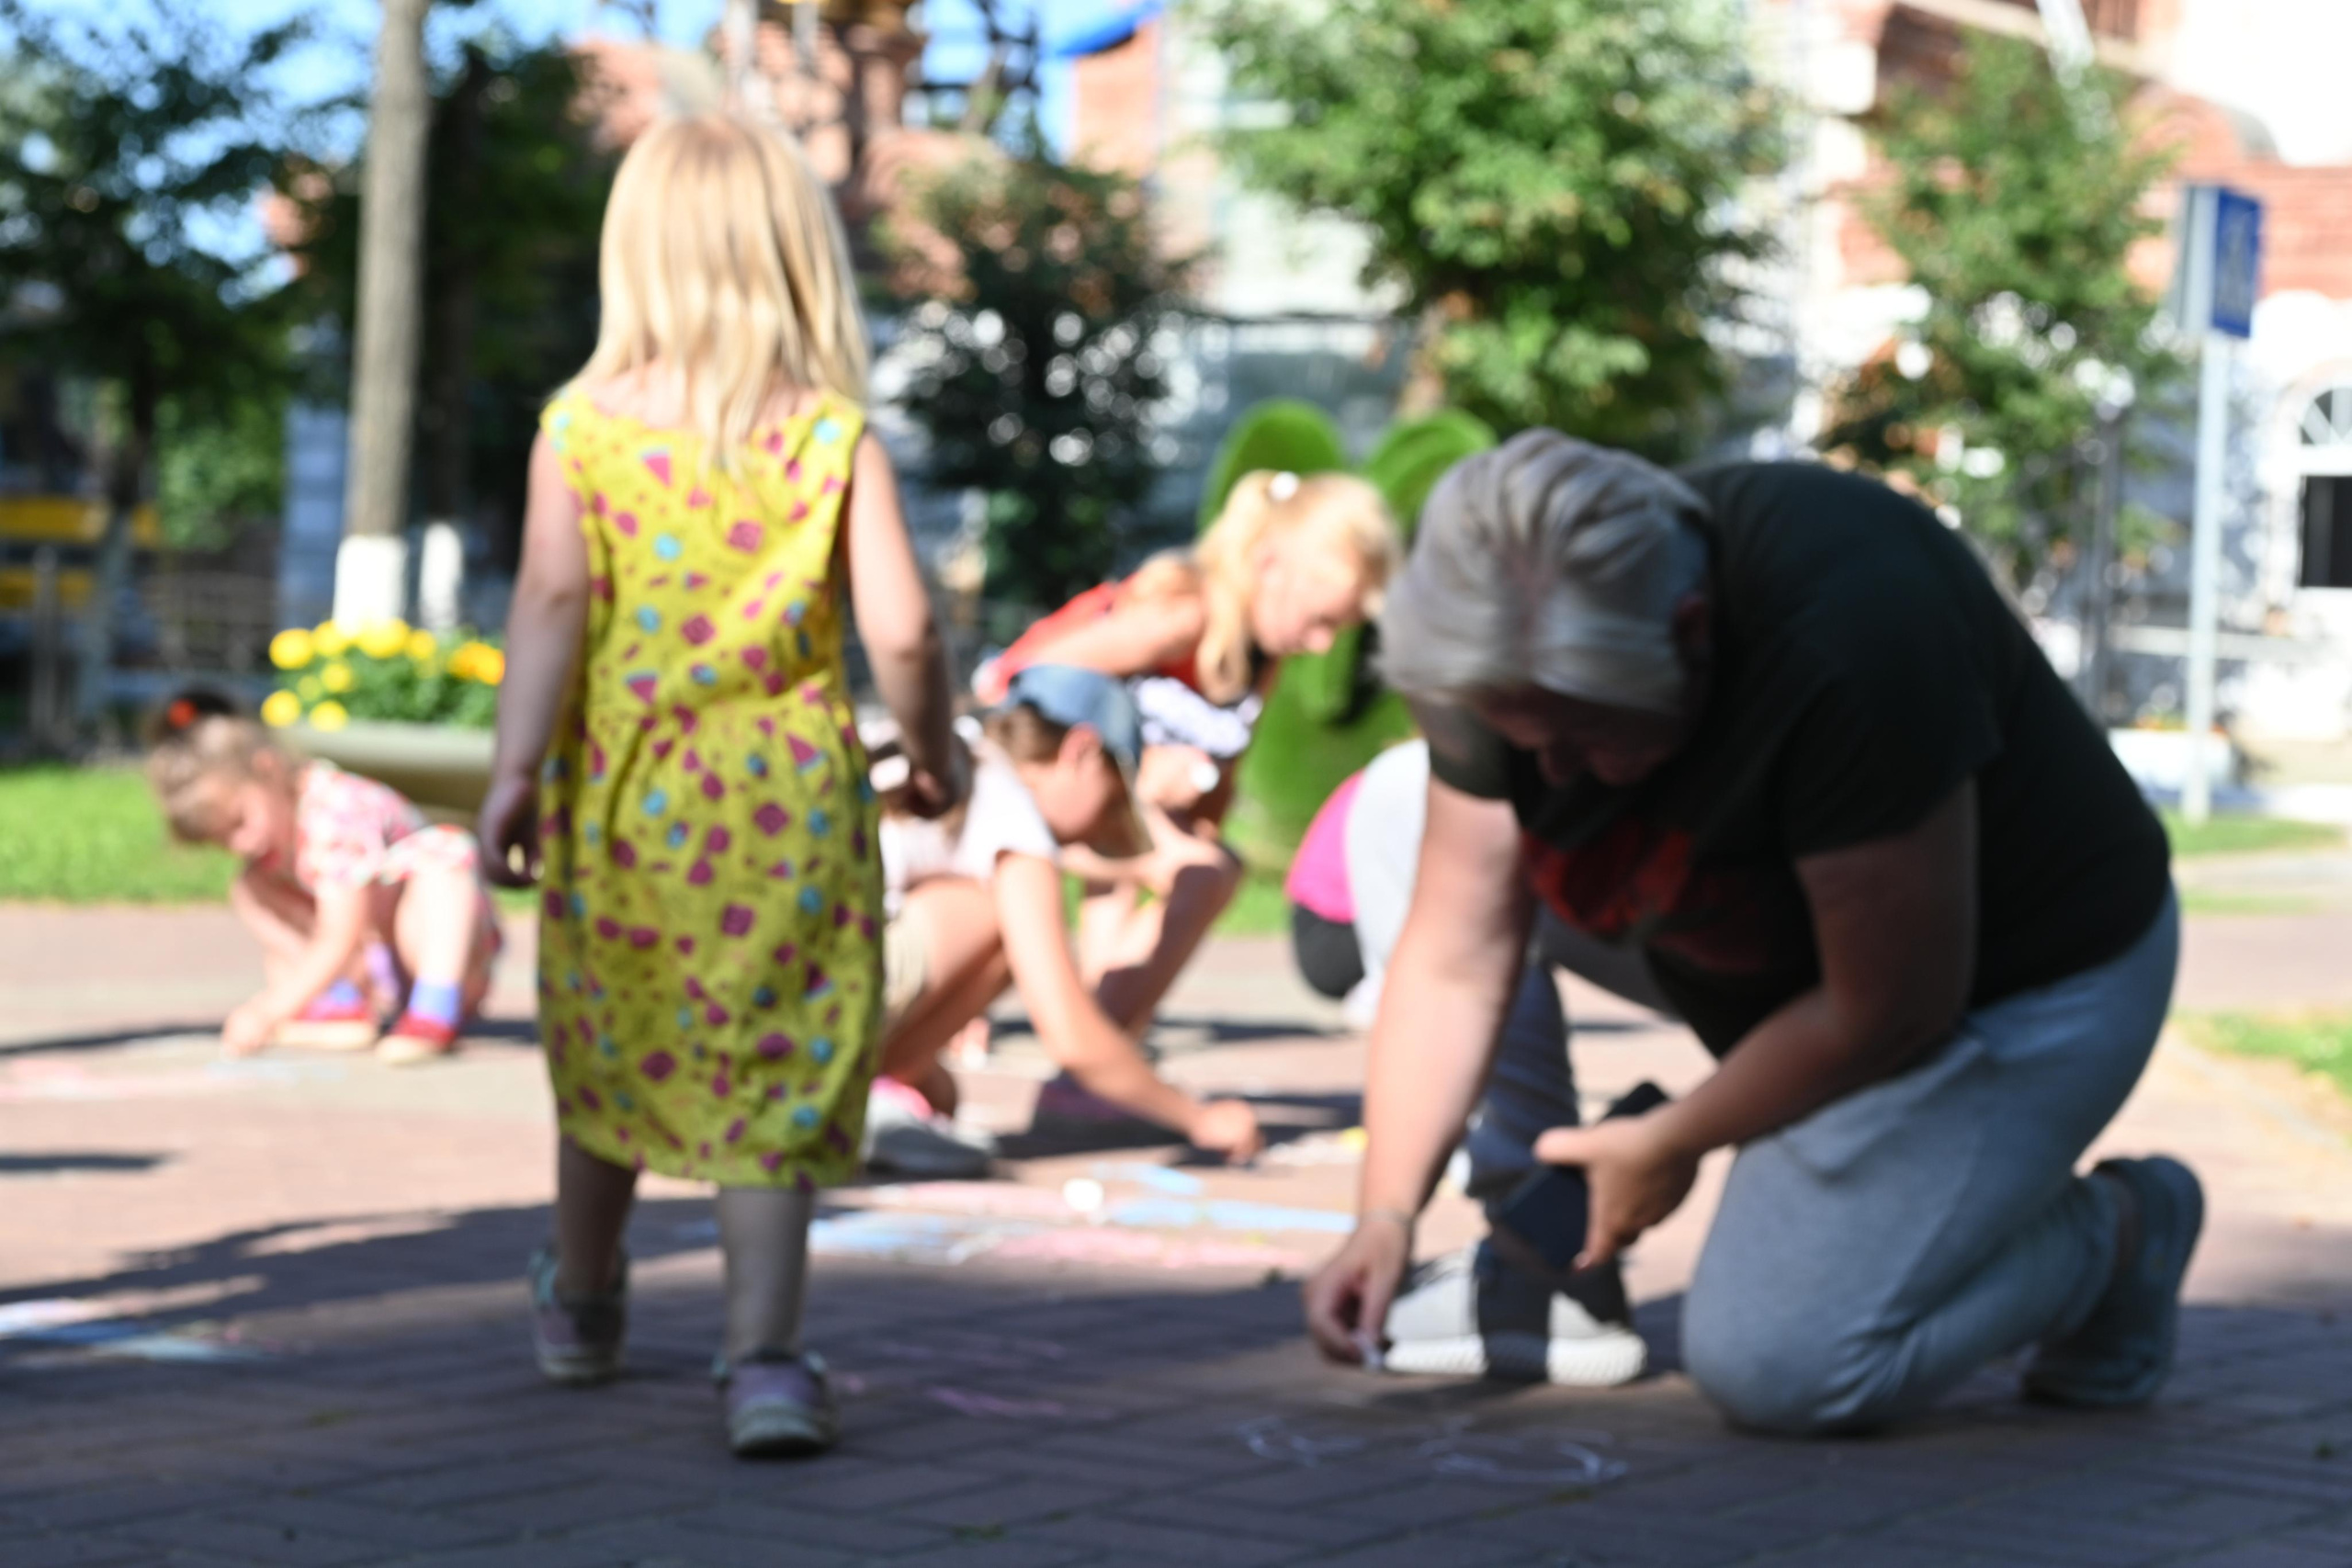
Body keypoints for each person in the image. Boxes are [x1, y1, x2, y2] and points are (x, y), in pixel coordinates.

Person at [1306, 432, 2193, 1435]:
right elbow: (1457, 955)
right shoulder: (1497, 646)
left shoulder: (1851, 626)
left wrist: (1674, 1139)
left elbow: (1890, 1006)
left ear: (1690, 633)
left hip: (2019, 982)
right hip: (1763, 937)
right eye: (1522, 739)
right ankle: (1546, 1248)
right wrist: (1383, 1215)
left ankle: (2119, 1232)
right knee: (1394, 811)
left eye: (1584, 733)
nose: (1550, 777)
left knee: (1783, 1367)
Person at [477, 113, 963, 1461]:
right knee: (778, 1063)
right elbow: (907, 632)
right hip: (789, 801)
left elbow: (551, 603)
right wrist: (935, 757)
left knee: (609, 1041)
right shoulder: (829, 435)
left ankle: (582, 1302)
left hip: (627, 792)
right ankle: (763, 1359)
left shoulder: (579, 433)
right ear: (796, 257)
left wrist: (516, 769)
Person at [976, 470, 1402, 1032]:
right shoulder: (1183, 613)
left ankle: (1104, 1029)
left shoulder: (1260, 660)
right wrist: (1140, 767)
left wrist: (1184, 810)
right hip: (1034, 782)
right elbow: (1019, 675)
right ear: (1269, 566)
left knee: (1195, 868)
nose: (1321, 643)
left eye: (1337, 629)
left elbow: (1215, 789)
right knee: (1202, 873)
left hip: (1120, 815)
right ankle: (1087, 1044)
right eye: (1320, 620)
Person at [1286, 739, 1651, 1385]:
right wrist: (1385, 1214)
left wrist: (1681, 1135)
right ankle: (1534, 1258)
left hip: (1850, 985)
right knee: (1406, 791)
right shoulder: (1490, 713)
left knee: (1798, 1368)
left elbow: (1868, 1014)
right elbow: (1455, 969)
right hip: (1680, 906)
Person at [868, 664, 1264, 1175]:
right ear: (1080, 752)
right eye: (1114, 799)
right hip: (817, 999)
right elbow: (1069, 1031)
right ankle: (854, 1097)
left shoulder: (953, 753)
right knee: (1004, 923)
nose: (1104, 823)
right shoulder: (1011, 810)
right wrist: (1198, 1118)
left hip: (761, 971)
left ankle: (864, 1087)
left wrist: (923, 1075)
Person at [145, 687, 500, 1066]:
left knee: (443, 858)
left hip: (441, 959)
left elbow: (340, 935)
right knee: (250, 887)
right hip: (376, 967)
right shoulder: (277, 840)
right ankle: (341, 1002)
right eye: (222, 839)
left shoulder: (335, 811)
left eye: (239, 821)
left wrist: (270, 1010)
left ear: (267, 768)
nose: (240, 845)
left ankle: (433, 1013)